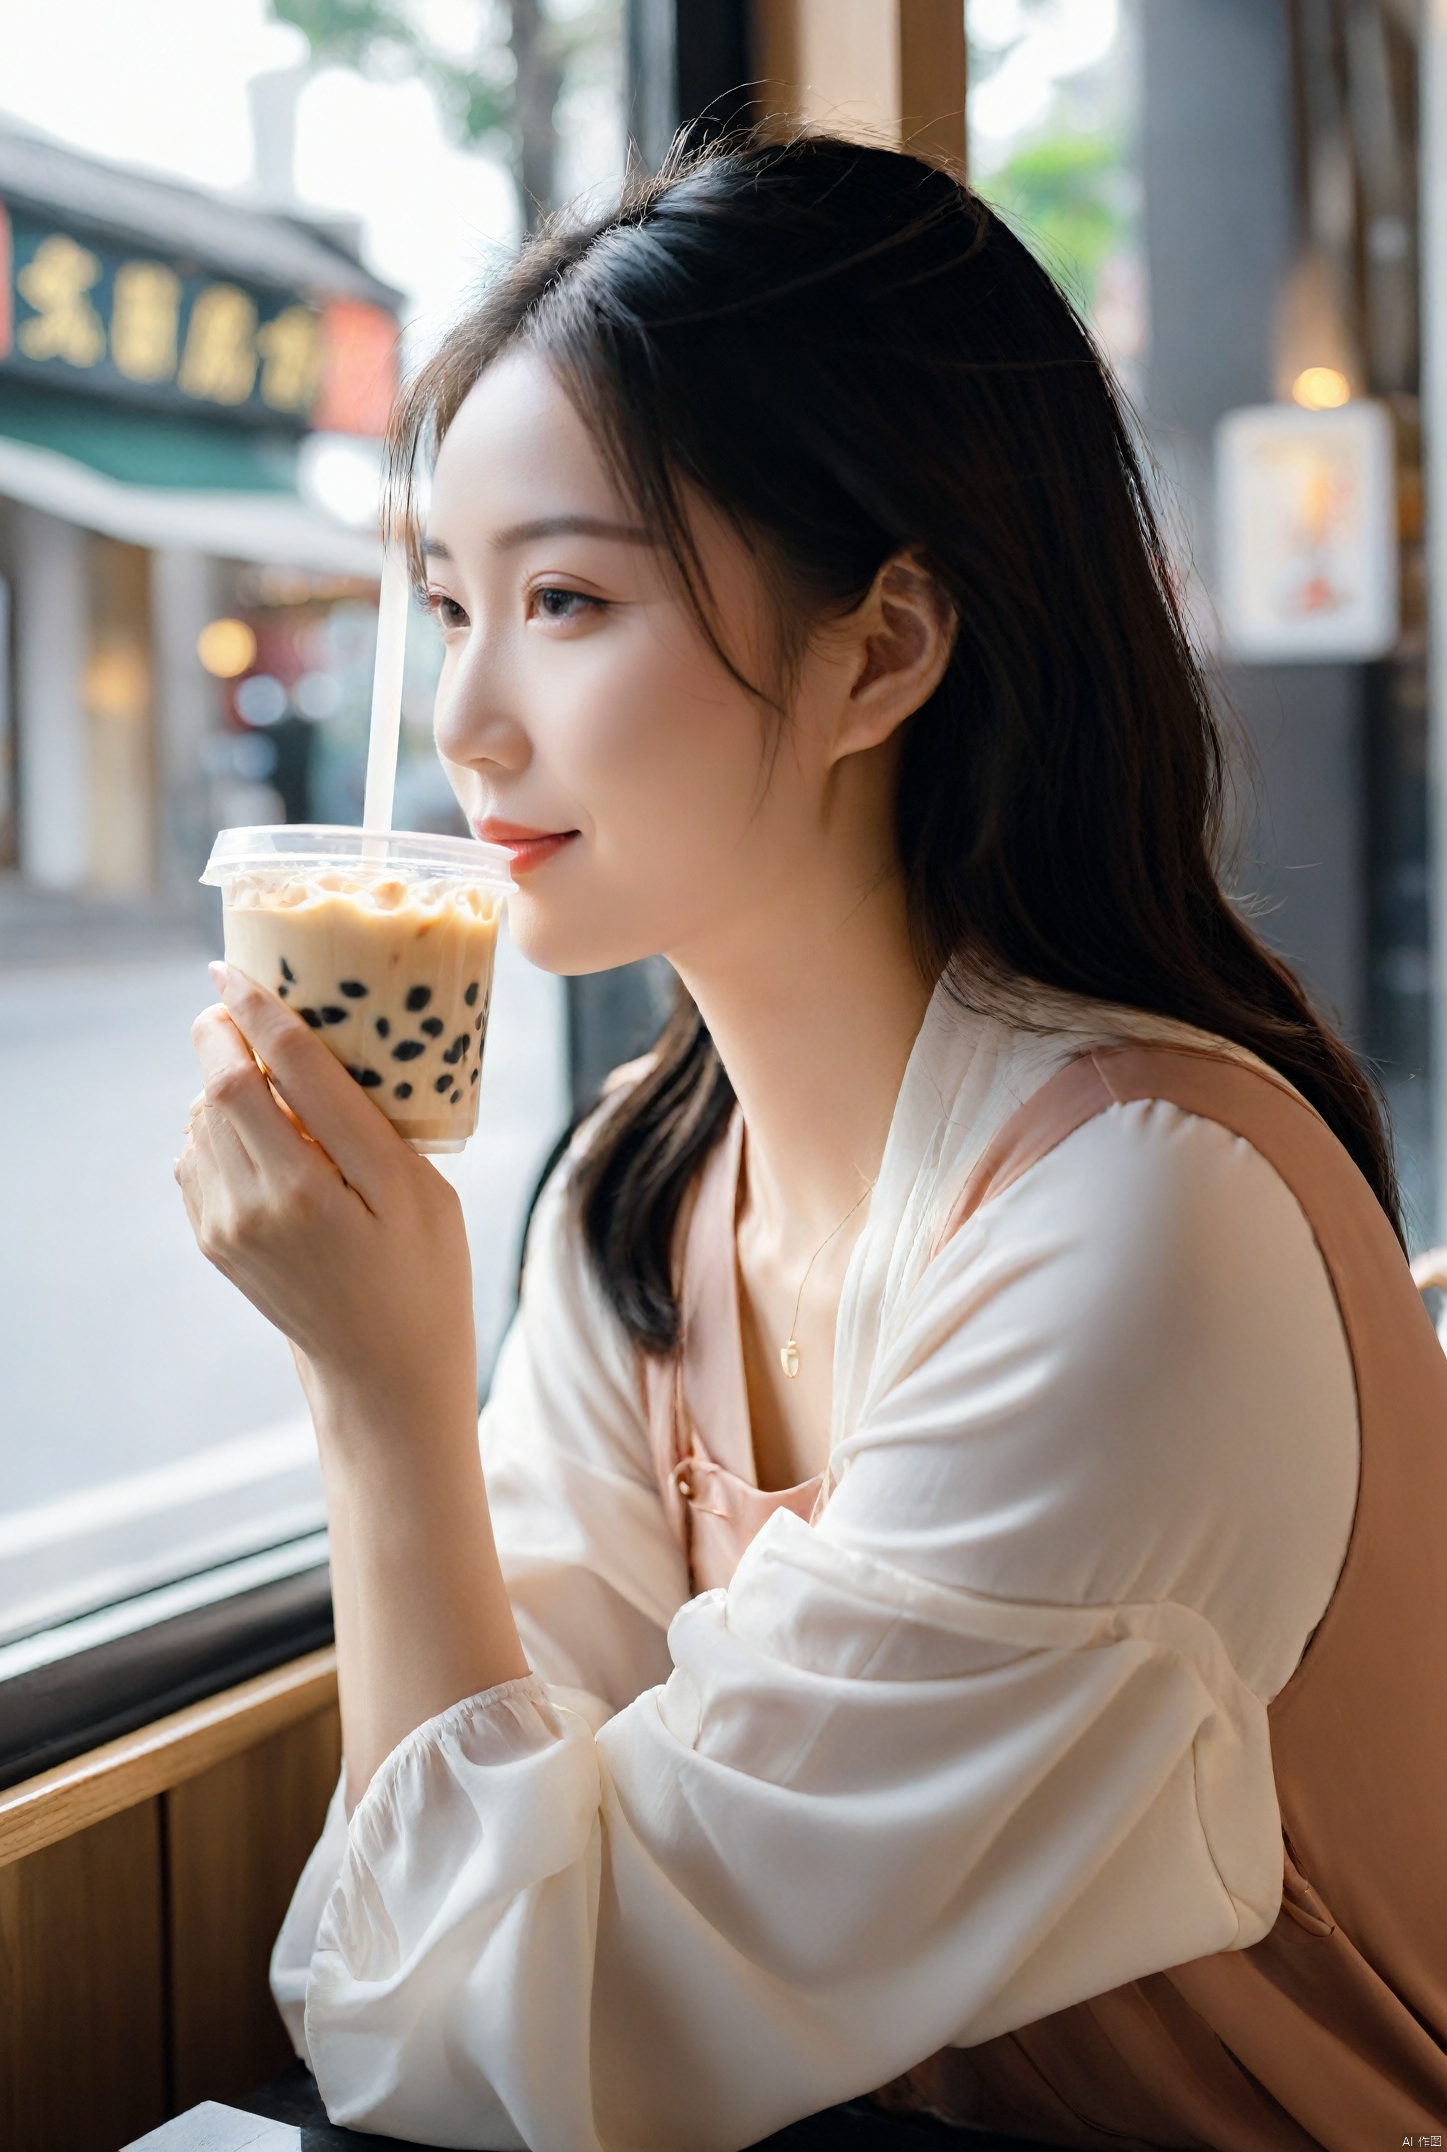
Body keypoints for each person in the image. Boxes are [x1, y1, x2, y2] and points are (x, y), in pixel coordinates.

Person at [176, 133, 1447, 2152]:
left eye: (569, 597)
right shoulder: (644, 1184)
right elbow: (486, 1913)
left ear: (883, 649)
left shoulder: (1140, 1235)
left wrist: (377, 1396)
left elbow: (507, 2039)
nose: (472, 724)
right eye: (448, 604)